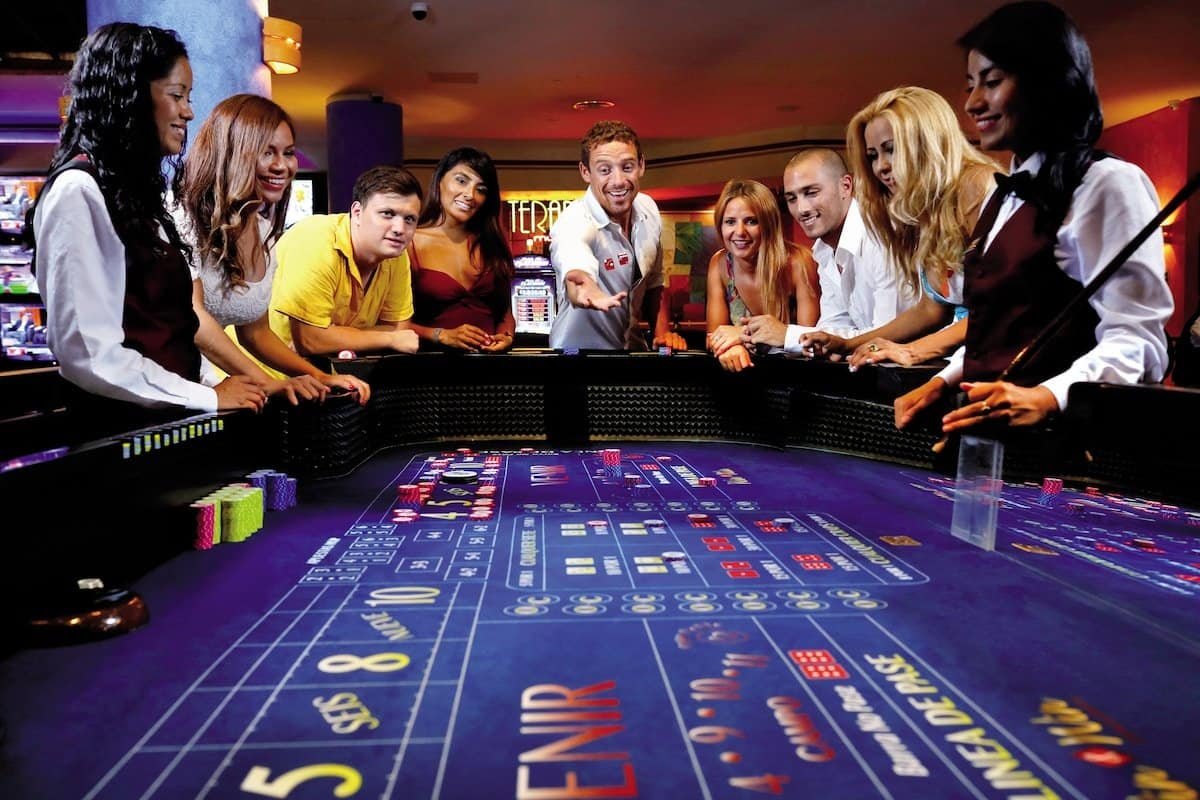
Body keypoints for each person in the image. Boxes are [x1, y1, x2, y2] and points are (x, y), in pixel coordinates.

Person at [896, 0, 1172, 434]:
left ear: (1048, 83)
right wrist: (942, 379)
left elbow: (1140, 342)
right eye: (970, 84)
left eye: (992, 81)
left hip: (1061, 470)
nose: (972, 103)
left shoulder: (1108, 183)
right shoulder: (1004, 196)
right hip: (984, 450)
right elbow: (1003, 331)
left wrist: (1049, 397)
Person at [31, 22, 265, 418]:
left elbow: (164, 335)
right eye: (177, 95)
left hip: (162, 423)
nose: (189, 111)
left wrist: (218, 388)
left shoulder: (135, 196)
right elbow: (88, 355)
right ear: (131, 96)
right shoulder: (78, 190)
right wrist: (209, 397)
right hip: (115, 437)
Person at [176, 94, 370, 403]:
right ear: (233, 153)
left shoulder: (263, 232)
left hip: (202, 386)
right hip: (163, 385)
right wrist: (267, 383)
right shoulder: (181, 217)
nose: (282, 166)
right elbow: (194, 318)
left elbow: (256, 333)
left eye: (288, 153)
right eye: (268, 152)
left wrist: (318, 376)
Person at [791, 87, 997, 369]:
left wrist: (914, 351)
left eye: (891, 149)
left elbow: (1004, 306)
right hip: (965, 365)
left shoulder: (977, 186)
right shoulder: (925, 214)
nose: (880, 167)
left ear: (927, 140)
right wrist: (850, 344)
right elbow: (930, 310)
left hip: (1015, 369)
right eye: (873, 155)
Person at [746, 148, 918, 355]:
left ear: (845, 186)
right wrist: (757, 336)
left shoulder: (881, 235)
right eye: (792, 198)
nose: (801, 209)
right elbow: (834, 330)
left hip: (927, 370)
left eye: (811, 193)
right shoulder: (823, 251)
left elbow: (887, 337)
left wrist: (787, 335)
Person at [548, 120, 687, 351]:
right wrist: (583, 285)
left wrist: (663, 335)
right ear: (585, 172)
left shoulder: (648, 209)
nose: (618, 181)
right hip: (577, 361)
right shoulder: (573, 220)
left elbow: (655, 282)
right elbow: (572, 252)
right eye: (605, 170)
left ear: (641, 164)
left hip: (630, 352)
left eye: (627, 166)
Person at [269, 165, 422, 359]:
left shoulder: (396, 256)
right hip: (259, 375)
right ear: (357, 212)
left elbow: (400, 329)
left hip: (326, 377)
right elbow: (310, 340)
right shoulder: (316, 240)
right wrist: (388, 339)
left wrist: (331, 335)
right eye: (387, 214)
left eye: (409, 219)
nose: (399, 228)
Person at [407, 147, 516, 351]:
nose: (470, 195)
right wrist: (440, 335)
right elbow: (392, 323)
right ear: (440, 181)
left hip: (491, 367)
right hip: (429, 367)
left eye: (481, 189)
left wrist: (506, 336)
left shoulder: (492, 243)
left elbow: (504, 313)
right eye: (462, 180)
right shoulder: (409, 242)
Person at [705, 179, 819, 372]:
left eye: (751, 221)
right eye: (730, 222)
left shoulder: (798, 262)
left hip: (794, 377)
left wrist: (741, 334)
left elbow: (811, 343)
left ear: (768, 224)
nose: (739, 232)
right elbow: (714, 337)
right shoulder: (720, 264)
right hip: (742, 374)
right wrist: (730, 348)